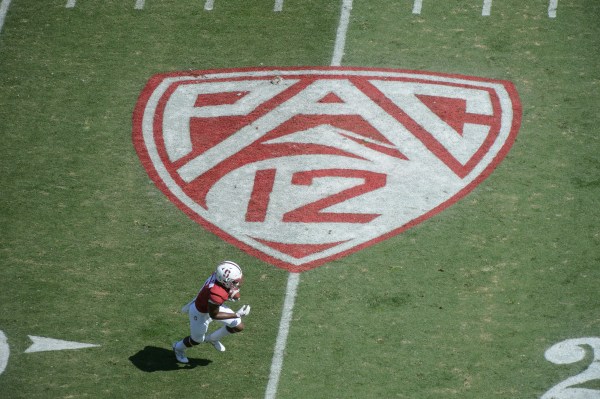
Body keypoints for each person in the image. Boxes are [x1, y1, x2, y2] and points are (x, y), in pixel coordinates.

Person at [172, 261, 251, 363]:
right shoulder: (217, 294)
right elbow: (214, 315)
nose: (237, 283)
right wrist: (237, 314)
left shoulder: (218, 277)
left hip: (211, 305)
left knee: (238, 326)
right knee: (197, 340)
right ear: (225, 281)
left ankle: (212, 339)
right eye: (235, 282)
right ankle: (178, 348)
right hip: (200, 313)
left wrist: (231, 292)